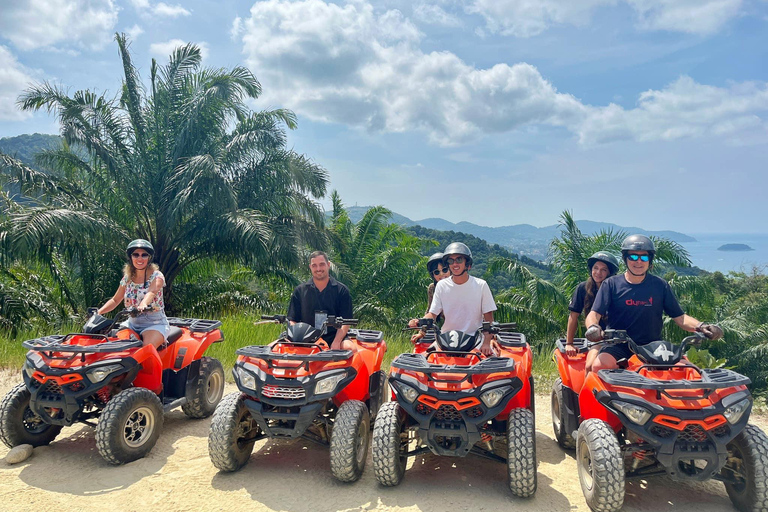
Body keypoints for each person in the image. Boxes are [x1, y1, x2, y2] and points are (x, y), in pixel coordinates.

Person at [585, 234, 723, 372]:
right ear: (625, 259)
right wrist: (593, 327)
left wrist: (701, 326)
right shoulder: (611, 284)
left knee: (689, 371)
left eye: (644, 257)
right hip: (618, 345)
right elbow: (594, 314)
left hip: (653, 347)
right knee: (599, 366)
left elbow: (680, 318)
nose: (638, 261)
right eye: (633, 256)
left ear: (650, 260)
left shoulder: (660, 285)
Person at [409, 242, 497, 356]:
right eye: (451, 261)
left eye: (459, 259)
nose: (455, 264)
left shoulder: (481, 285)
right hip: (446, 339)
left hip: (475, 339)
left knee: (493, 367)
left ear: (467, 263)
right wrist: (419, 321)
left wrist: (486, 342)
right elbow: (433, 314)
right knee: (422, 362)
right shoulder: (441, 286)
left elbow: (489, 318)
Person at [97, 239, 169, 349]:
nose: (140, 258)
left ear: (149, 258)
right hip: (131, 324)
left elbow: (152, 291)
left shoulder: (157, 276)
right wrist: (98, 312)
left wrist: (143, 304)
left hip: (154, 324)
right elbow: (115, 300)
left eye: (144, 255)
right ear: (131, 257)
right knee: (115, 346)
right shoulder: (127, 278)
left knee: (146, 349)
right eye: (136, 255)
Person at [565, 251, 620, 373]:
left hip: (619, 338)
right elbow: (573, 316)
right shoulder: (583, 288)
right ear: (591, 269)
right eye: (596, 268)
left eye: (603, 270)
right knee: (591, 366)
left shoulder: (618, 290)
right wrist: (569, 343)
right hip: (597, 338)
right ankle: (588, 391)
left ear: (610, 272)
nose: (598, 273)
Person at [287, 250, 354, 350]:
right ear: (310, 267)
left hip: (333, 337)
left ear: (328, 265)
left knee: (350, 349)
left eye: (321, 264)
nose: (318, 269)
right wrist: (295, 339)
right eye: (314, 265)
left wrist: (337, 342)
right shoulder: (300, 291)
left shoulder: (341, 291)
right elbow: (292, 320)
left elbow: (345, 322)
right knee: (273, 347)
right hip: (305, 339)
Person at [410, 252, 449, 344]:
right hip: (448, 331)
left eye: (444, 270)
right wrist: (422, 331)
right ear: (433, 275)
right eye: (437, 272)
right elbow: (431, 312)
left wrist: (489, 335)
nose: (441, 274)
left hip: (470, 331)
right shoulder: (433, 288)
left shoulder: (460, 286)